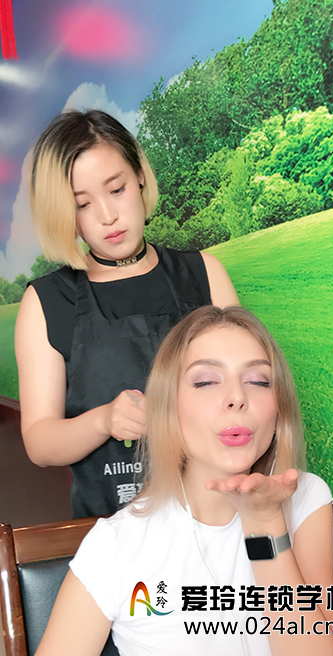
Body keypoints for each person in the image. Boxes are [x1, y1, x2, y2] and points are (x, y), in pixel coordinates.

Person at [35, 306, 333, 656]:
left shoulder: (305, 498)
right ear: (168, 405)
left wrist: (265, 527)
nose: (237, 398)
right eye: (206, 381)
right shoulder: (115, 546)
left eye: (258, 381)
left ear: (280, 406)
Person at [15, 109, 239, 519]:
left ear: (139, 176)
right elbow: (39, 442)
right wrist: (104, 421)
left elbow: (247, 392)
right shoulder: (47, 302)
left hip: (216, 520)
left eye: (116, 189)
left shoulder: (205, 274)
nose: (107, 216)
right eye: (82, 204)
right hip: (111, 530)